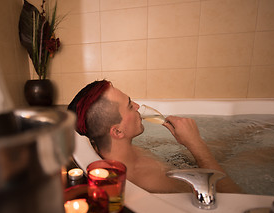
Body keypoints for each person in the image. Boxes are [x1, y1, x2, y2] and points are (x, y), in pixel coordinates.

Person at [68, 80, 242, 193]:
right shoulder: (153, 181)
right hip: (184, 172)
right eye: (130, 106)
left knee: (227, 144)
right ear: (118, 132)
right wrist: (195, 143)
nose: (137, 105)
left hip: (177, 163)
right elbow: (231, 200)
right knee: (256, 156)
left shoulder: (109, 148)